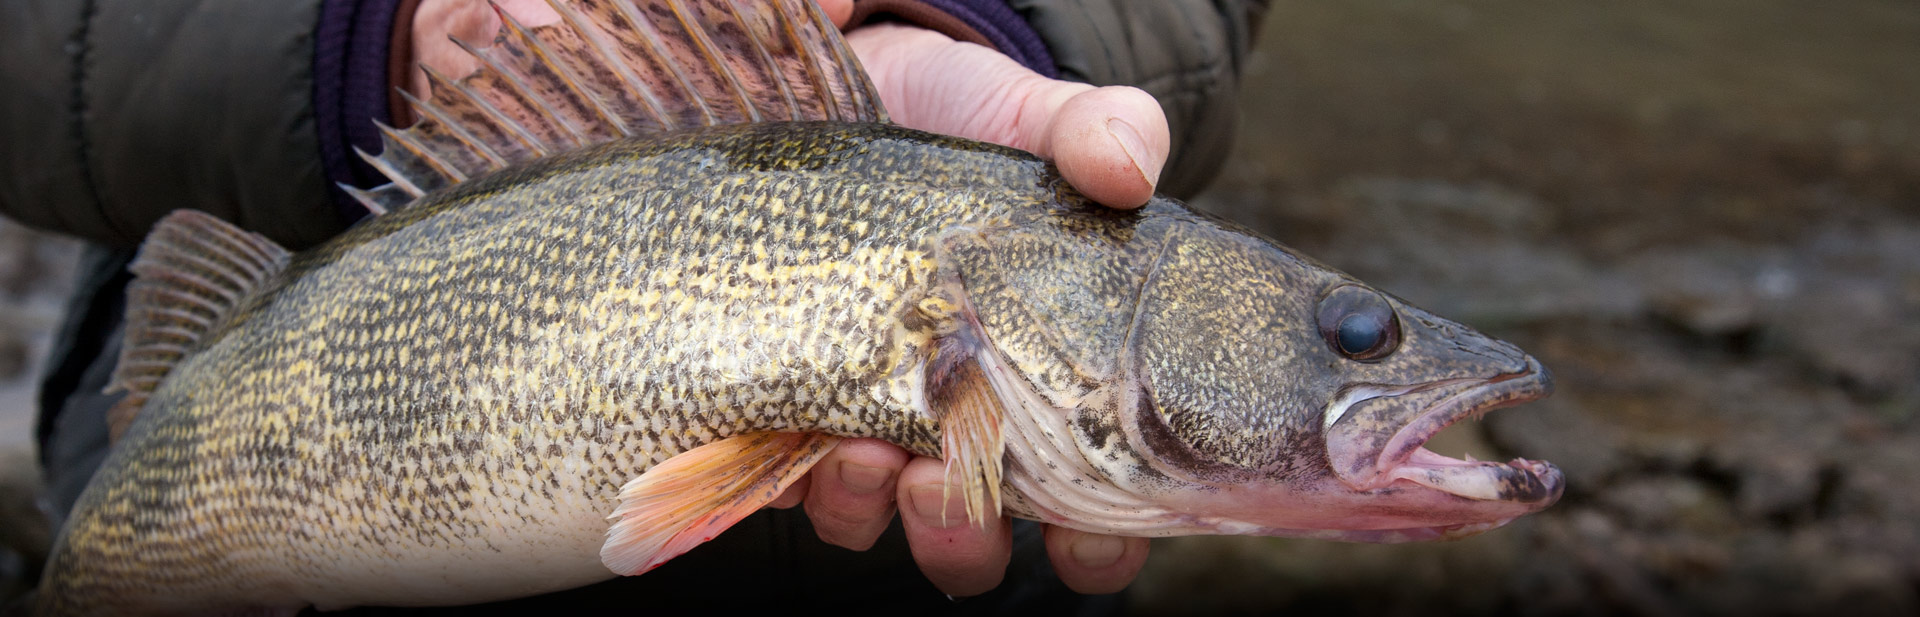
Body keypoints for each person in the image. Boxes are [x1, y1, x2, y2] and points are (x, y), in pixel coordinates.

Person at [0, 0, 1268, 612]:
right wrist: (363, 47)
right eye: (1353, 332)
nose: (1364, 349)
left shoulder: (1015, 286)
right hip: (264, 321)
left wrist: (998, 33)